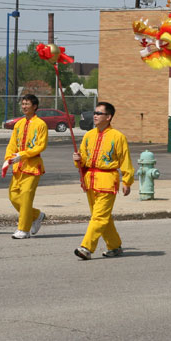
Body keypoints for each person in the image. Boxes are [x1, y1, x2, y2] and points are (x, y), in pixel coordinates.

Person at [72, 102, 134, 260]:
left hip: (107, 181)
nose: (95, 115)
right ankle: (114, 246)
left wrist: (127, 181)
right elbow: (84, 160)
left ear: (109, 117)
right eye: (95, 112)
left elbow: (125, 160)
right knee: (101, 217)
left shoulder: (118, 137)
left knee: (98, 217)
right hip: (90, 181)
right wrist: (78, 160)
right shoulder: (88, 135)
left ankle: (86, 247)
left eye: (99, 113)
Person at [3, 93, 48, 239]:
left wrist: (24, 154)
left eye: (27, 104)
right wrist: (8, 159)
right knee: (13, 196)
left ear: (35, 107)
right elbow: (12, 144)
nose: (24, 107)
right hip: (18, 166)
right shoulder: (19, 124)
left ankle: (23, 229)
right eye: (23, 104)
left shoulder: (40, 124)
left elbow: (41, 146)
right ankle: (36, 215)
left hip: (32, 166)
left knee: (26, 197)